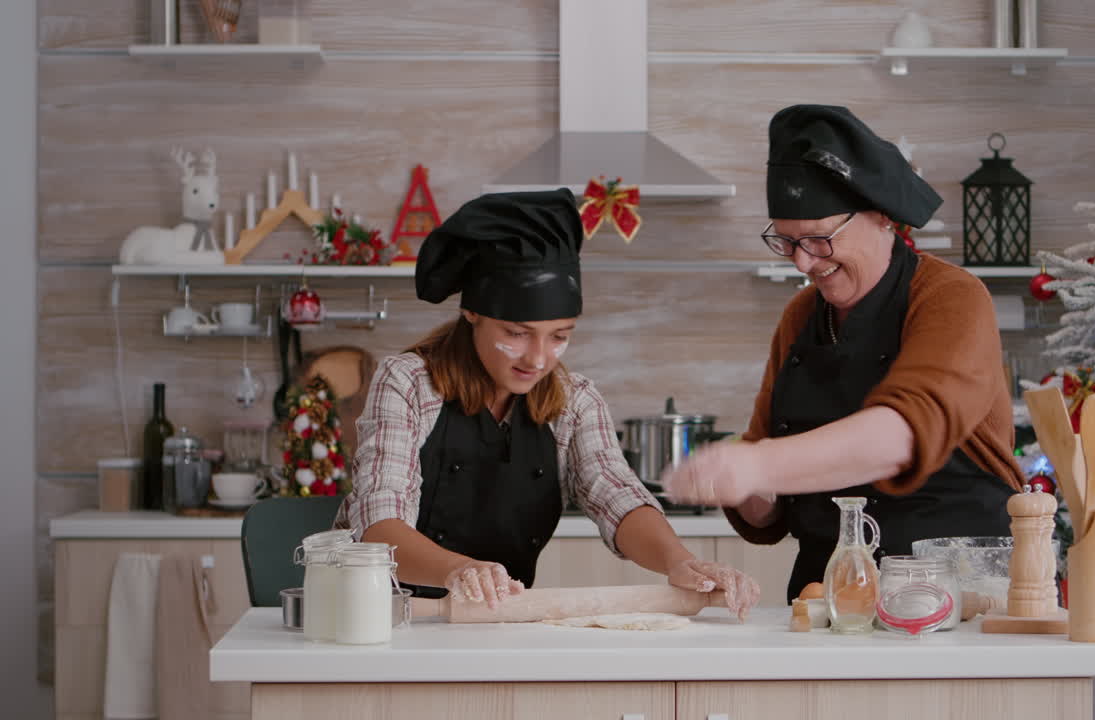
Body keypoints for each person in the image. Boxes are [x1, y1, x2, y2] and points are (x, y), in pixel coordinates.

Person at [334, 188, 760, 618]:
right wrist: (460, 571)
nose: (538, 359)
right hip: (385, 620)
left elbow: (618, 496)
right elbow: (378, 526)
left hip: (500, 623)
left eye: (559, 336)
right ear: (472, 314)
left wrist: (678, 561)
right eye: (516, 334)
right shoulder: (409, 383)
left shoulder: (575, 401)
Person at [661, 105, 1025, 602]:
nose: (804, 262)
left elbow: (902, 435)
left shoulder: (951, 298)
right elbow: (770, 515)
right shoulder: (800, 318)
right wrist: (734, 482)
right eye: (786, 242)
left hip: (953, 595)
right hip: (826, 595)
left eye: (819, 238)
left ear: (880, 216)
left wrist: (758, 464)